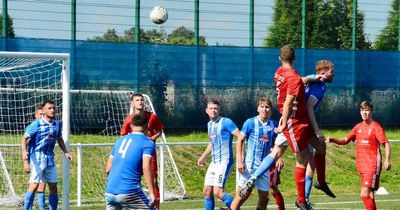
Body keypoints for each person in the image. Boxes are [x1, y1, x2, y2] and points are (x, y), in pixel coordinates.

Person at [240, 44, 329, 210]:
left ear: (280, 58)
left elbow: (297, 82)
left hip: (293, 119)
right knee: (302, 160)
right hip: (293, 122)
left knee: (316, 146)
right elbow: (289, 101)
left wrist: (312, 77)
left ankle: (320, 182)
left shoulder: (279, 73)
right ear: (294, 59)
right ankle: (302, 200)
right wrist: (283, 123)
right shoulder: (294, 78)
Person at [327, 101, 391, 210]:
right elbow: (346, 140)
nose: (364, 112)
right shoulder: (358, 127)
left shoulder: (376, 127)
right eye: (362, 110)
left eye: (367, 110)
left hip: (372, 166)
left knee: (364, 194)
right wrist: (333, 140)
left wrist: (387, 160)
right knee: (370, 194)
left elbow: (386, 143)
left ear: (371, 111)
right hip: (362, 166)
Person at [231, 97, 284, 210]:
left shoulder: (273, 125)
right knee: (241, 195)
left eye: (267, 107)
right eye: (262, 107)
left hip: (264, 167)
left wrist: (278, 158)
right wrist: (240, 161)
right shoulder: (250, 122)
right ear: (257, 109)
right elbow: (240, 141)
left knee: (264, 198)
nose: (264, 109)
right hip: (249, 166)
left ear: (271, 110)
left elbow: (276, 145)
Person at [21, 100, 72, 210]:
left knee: (53, 186)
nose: (52, 110)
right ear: (43, 111)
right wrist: (25, 158)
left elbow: (59, 139)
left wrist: (66, 151)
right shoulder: (36, 124)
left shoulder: (57, 124)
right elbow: (24, 139)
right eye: (49, 108)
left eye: (53, 108)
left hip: (50, 158)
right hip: (37, 157)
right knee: (34, 185)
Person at [302, 60, 336, 207]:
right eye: (331, 71)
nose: (334, 74)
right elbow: (309, 106)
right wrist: (316, 129)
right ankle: (320, 183)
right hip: (304, 123)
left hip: (297, 120)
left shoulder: (311, 79)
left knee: (311, 160)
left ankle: (305, 199)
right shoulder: (320, 86)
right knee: (319, 148)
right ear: (323, 73)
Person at [120, 93, 163, 210]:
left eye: (142, 100)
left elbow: (159, 130)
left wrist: (151, 139)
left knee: (153, 180)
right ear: (132, 103)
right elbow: (123, 135)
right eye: (137, 100)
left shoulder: (152, 116)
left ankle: (157, 207)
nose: (140, 102)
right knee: (134, 179)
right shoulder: (129, 119)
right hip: (135, 154)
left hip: (149, 153)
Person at [105, 112, 156, 209]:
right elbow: (146, 167)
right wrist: (152, 193)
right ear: (147, 125)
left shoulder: (120, 140)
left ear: (131, 126)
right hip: (129, 191)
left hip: (110, 191)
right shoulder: (147, 142)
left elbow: (108, 169)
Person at [197, 100, 241, 210]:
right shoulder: (209, 124)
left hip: (225, 162)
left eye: (216, 108)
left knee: (218, 192)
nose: (213, 110)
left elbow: (240, 136)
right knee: (207, 191)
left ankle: (236, 208)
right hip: (214, 162)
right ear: (207, 111)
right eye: (211, 108)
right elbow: (212, 143)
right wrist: (203, 156)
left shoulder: (226, 122)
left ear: (219, 110)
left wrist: (241, 156)